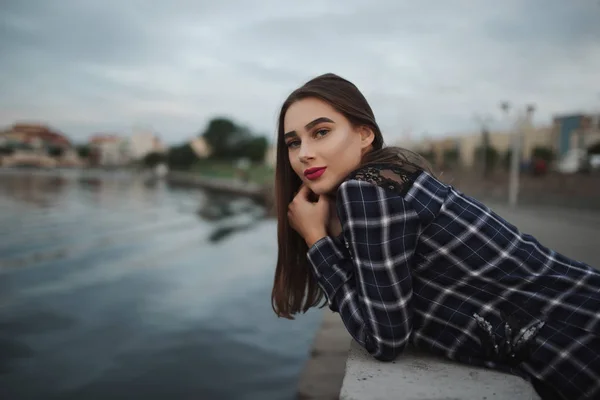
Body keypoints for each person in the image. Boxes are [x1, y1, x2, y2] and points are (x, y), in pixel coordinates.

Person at [270, 73, 600, 400]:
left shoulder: (364, 192)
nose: (304, 154)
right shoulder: (393, 176)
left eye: (321, 132)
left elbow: (382, 338)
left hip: (579, 340)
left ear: (364, 134)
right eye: (294, 142)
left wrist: (316, 240)